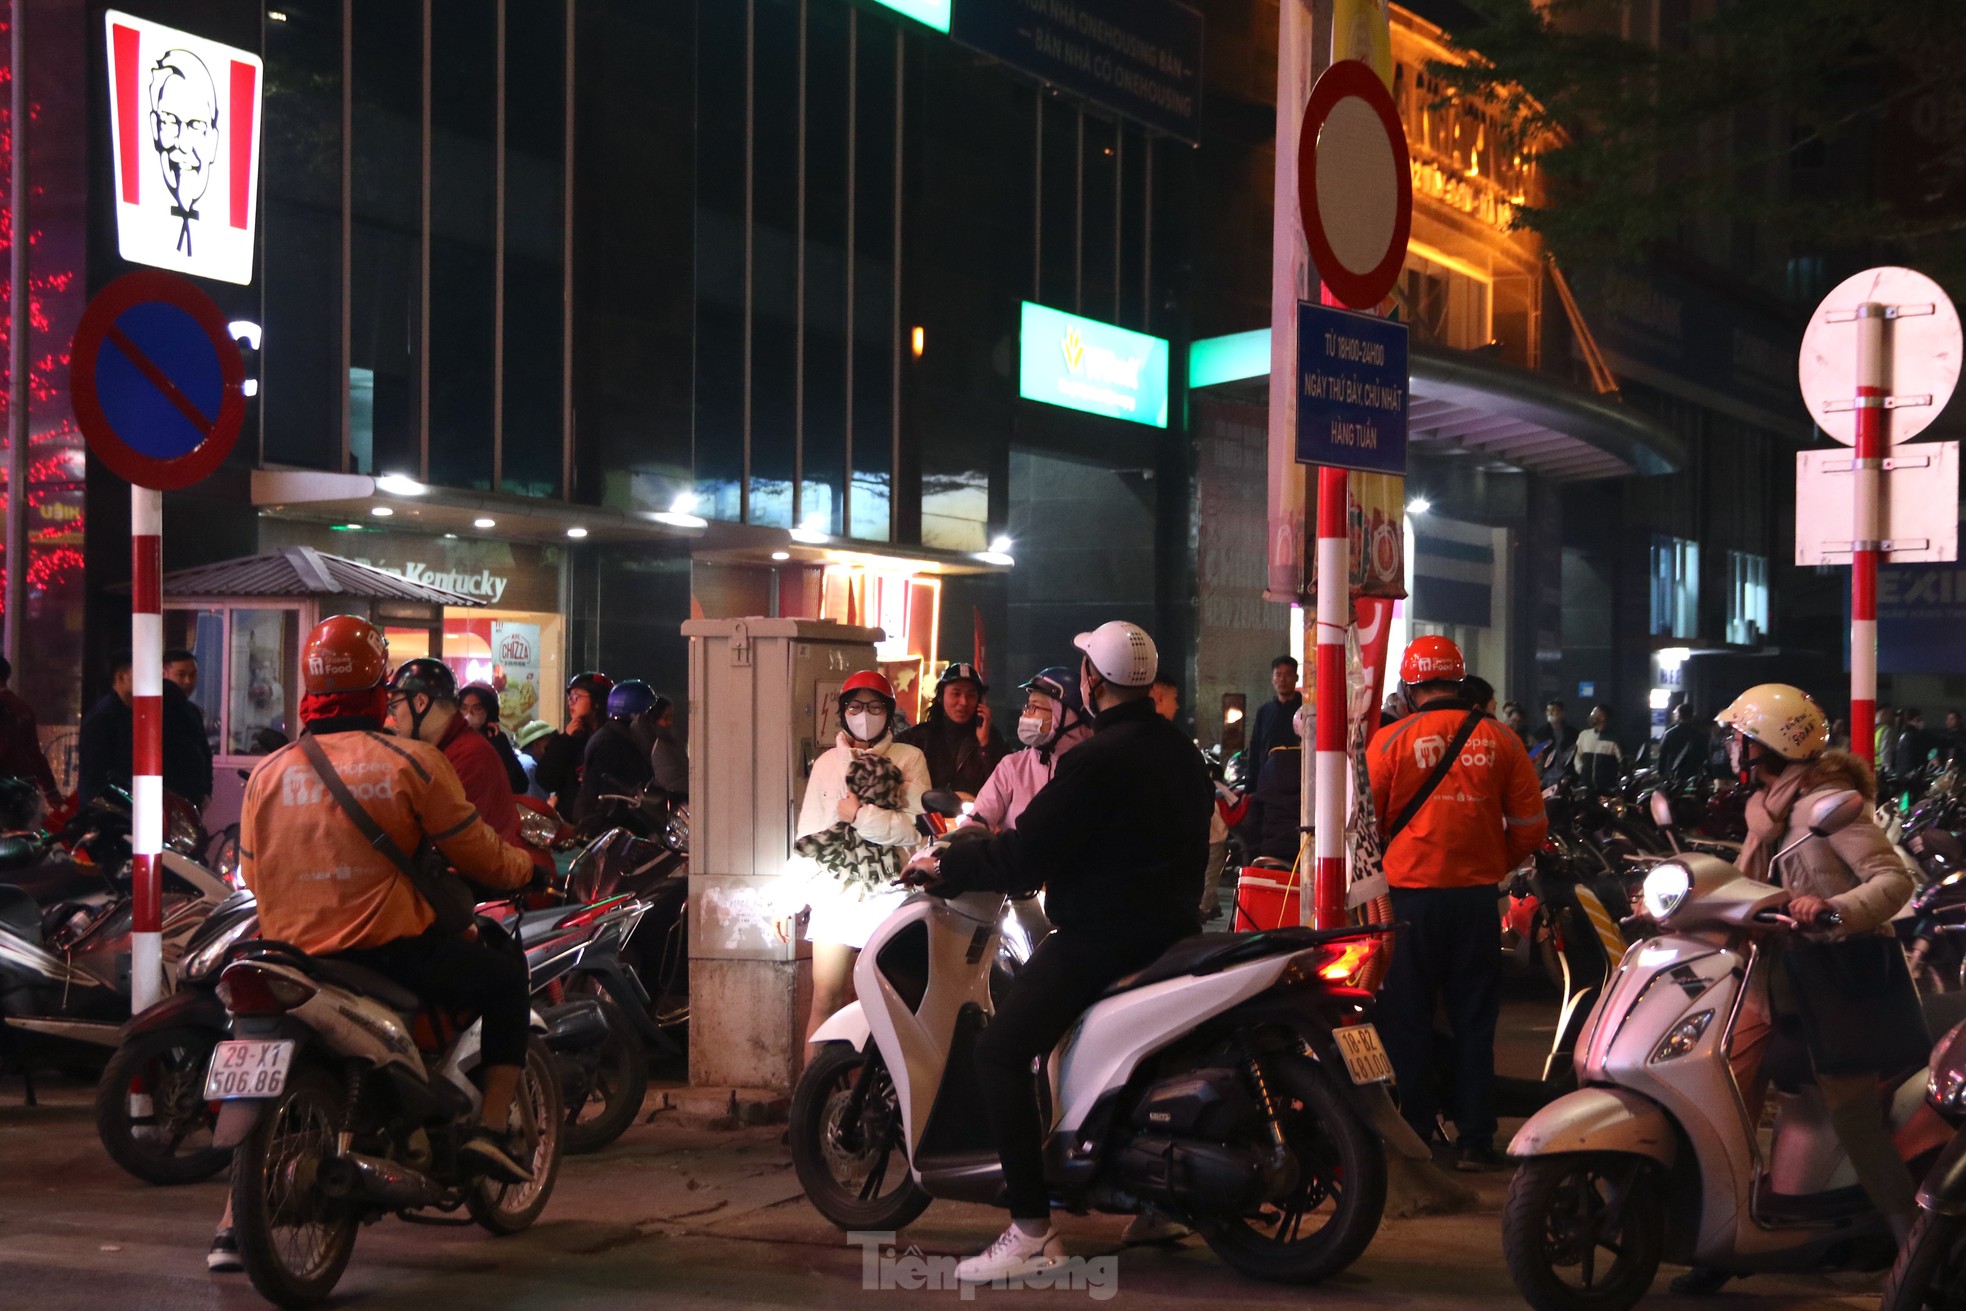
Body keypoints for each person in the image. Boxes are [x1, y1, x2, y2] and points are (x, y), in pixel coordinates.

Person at [214, 615, 538, 1271]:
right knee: (505, 975)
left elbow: (250, 869)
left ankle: (229, 1221)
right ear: (379, 688)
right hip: (387, 959)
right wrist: (529, 868)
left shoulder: (268, 774)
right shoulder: (412, 762)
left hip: (292, 958)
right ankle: (492, 1128)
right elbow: (478, 851)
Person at [905, 621, 1211, 1283]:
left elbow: (1027, 849)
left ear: (1092, 681)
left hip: (1102, 934)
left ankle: (1029, 1229)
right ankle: (1156, 1200)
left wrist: (949, 869)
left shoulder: (1097, 759)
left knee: (1001, 1049)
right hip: (1172, 928)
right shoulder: (1179, 749)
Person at [1671, 684, 1921, 1294]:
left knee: (1852, 1111)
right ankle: (1724, 1232)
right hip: (1771, 979)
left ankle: (1912, 1243)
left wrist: (1832, 909)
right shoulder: (1767, 810)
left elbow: (1891, 882)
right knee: (1719, 1088)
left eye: (1741, 739)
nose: (1732, 748)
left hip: (1841, 980)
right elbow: (1751, 883)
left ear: (1771, 746)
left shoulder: (1828, 808)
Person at [1368, 635, 1547, 1171]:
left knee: (1409, 1020)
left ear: (1409, 685)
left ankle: (1417, 1134)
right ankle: (1474, 1139)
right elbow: (1532, 828)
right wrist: (1494, 860)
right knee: (1475, 1021)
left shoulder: (1389, 742)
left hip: (1409, 905)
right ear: (1461, 681)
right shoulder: (1504, 741)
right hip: (1474, 901)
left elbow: (1366, 830)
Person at [798, 670, 930, 1045]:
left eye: (875, 706)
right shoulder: (826, 764)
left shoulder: (910, 759)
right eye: (855, 706)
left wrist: (860, 816)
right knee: (825, 1000)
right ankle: (817, 1097)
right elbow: (810, 834)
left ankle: (875, 1096)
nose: (865, 714)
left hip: (890, 895)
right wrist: (792, 897)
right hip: (836, 896)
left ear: (889, 712)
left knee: (882, 1004)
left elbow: (915, 831)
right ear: (842, 712)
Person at [385, 659, 549, 883]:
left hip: (476, 889)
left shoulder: (467, 756)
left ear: (420, 703)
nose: (393, 717)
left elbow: (456, 843)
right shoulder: (445, 750)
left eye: (396, 705)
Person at [77, 650, 212, 808]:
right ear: (122, 676)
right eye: (143, 672)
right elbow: (97, 776)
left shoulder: (161, 711)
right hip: (115, 813)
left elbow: (200, 753)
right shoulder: (103, 717)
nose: (152, 679)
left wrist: (205, 791)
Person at [969, 667, 1092, 833]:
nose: (1026, 714)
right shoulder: (1013, 766)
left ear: (1066, 715)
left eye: (1035, 707)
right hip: (1013, 859)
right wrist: (965, 839)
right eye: (1027, 706)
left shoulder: (1092, 769)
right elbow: (978, 818)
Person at [1150, 671, 1232, 918]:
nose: (1176, 706)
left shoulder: (1160, 743)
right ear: (1159, 698)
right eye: (1174, 698)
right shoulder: (1170, 745)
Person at [895, 661, 1009, 795]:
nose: (963, 702)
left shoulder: (992, 738)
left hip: (975, 813)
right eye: (956, 694)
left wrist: (985, 745)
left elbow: (1003, 784)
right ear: (941, 697)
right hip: (925, 813)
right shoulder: (917, 738)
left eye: (971, 695)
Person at [572, 680, 661, 823]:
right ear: (637, 716)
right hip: (609, 830)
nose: (655, 724)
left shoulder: (620, 738)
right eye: (650, 716)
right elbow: (609, 797)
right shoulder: (611, 745)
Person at [531, 670, 612, 810]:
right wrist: (565, 738)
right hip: (571, 822)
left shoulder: (611, 738)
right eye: (569, 698)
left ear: (598, 701)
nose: (570, 703)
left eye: (576, 697)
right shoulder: (571, 738)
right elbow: (545, 779)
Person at [1239, 707, 1304, 863]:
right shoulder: (1322, 769)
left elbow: (1254, 819)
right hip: (1304, 851)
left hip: (1271, 851)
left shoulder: (1272, 766)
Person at [0, 655, 61, 808]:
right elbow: (33, 752)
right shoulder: (22, 707)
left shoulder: (5, 707)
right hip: (23, 785)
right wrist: (50, 789)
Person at [459, 682, 529, 794]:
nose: (468, 714)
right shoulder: (452, 739)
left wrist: (498, 746)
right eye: (464, 708)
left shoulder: (498, 740)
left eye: (477, 708)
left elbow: (519, 785)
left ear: (489, 711)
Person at [1246, 655, 1302, 768]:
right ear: (1272, 679)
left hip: (1297, 779)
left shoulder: (1304, 711)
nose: (1282, 679)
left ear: (1296, 678)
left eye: (1288, 674)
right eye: (1278, 674)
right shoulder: (1264, 712)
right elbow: (1255, 749)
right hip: (1269, 781)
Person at [1572, 706, 1624, 795]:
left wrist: (1615, 776)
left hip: (1606, 789)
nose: (1592, 716)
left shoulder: (1613, 738)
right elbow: (1577, 755)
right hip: (1586, 786)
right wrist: (1581, 770)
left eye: (1596, 713)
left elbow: (1622, 761)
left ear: (1604, 717)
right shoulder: (1584, 735)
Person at [646, 694, 689, 798]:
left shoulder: (670, 743)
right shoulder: (659, 748)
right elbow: (673, 783)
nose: (670, 722)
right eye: (665, 717)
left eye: (671, 717)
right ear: (654, 718)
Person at [1658, 702, 1710, 786]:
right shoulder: (1700, 734)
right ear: (1692, 716)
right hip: (1694, 774)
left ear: (1678, 716)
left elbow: (1662, 756)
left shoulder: (1669, 734)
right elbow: (1705, 756)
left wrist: (1661, 773)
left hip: (1674, 774)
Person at [1534, 698, 1577, 785]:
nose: (1550, 713)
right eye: (1548, 710)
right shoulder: (1540, 733)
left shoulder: (1572, 733)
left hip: (1565, 778)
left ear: (1561, 713)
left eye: (1553, 710)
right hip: (1545, 779)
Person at [512, 719, 556, 800]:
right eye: (548, 746)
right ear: (536, 744)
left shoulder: (525, 761)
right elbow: (539, 804)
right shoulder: (529, 766)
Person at [1893, 707, 1938, 778]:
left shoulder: (1902, 734)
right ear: (1911, 721)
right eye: (1918, 720)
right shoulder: (1917, 735)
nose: (1921, 722)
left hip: (1901, 773)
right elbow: (1935, 742)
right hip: (1913, 774)